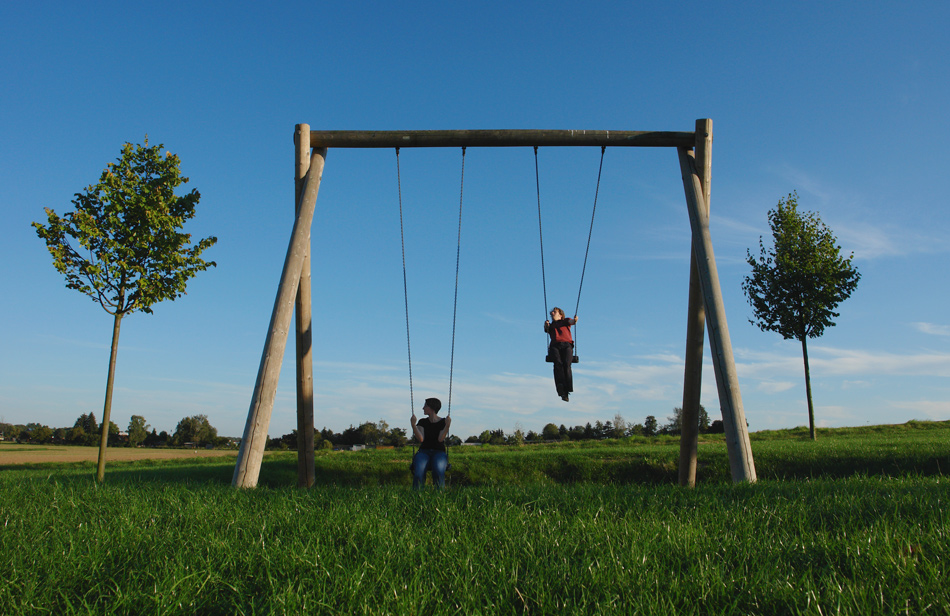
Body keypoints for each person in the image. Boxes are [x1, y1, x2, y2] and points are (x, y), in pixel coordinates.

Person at [410, 397, 451, 489]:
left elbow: (440, 439)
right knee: (419, 472)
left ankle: (439, 495)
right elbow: (421, 439)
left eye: (425, 406)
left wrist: (447, 425)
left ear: (431, 407)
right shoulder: (422, 422)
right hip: (424, 451)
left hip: (439, 452)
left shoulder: (443, 422)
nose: (423, 408)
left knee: (438, 470)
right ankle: (417, 495)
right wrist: (413, 425)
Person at [544, 307, 578, 401]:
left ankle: (567, 389)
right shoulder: (551, 325)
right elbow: (546, 329)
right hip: (555, 346)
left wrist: (575, 320)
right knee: (558, 364)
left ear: (560, 314)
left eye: (554, 312)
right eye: (552, 312)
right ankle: (561, 389)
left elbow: (572, 322)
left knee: (567, 365)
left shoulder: (565, 321)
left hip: (567, 345)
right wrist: (546, 325)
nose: (552, 313)